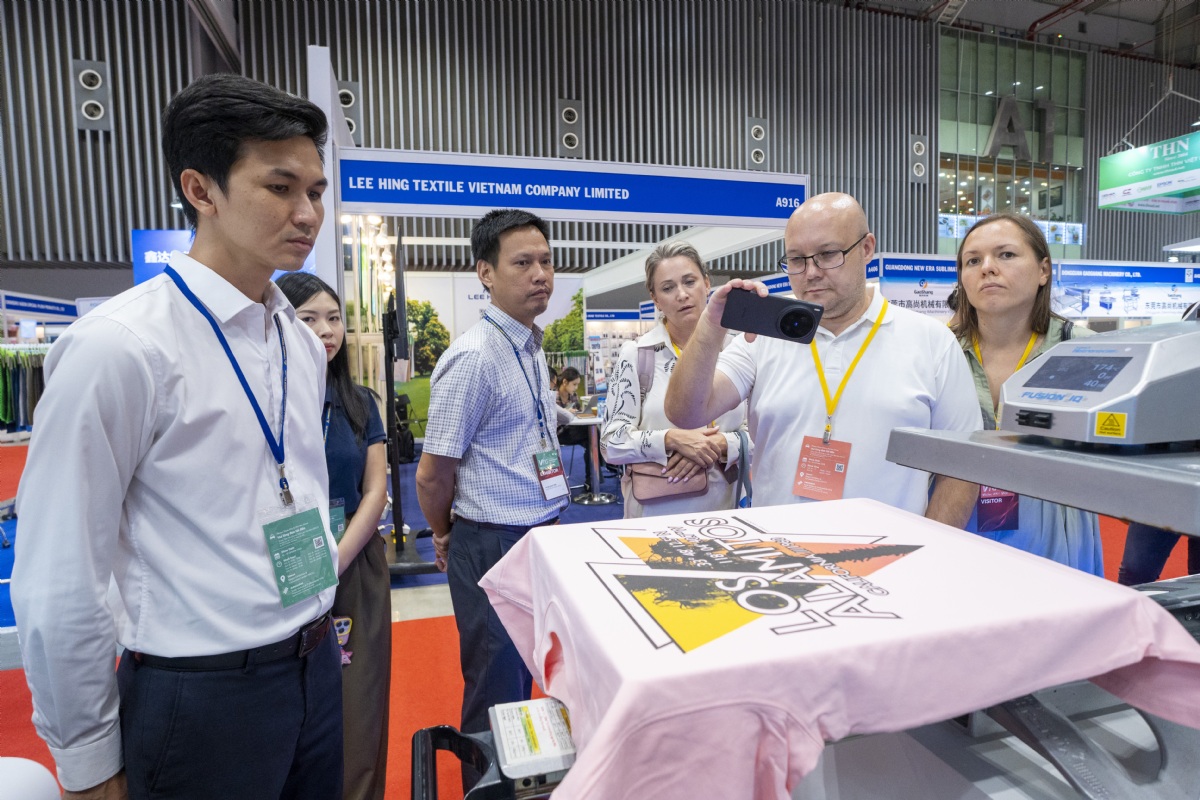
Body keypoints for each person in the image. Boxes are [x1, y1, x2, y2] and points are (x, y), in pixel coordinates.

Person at [12, 73, 341, 800]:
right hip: (201, 695)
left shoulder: (295, 336)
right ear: (200, 189)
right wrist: (87, 758)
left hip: (316, 665)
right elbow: (60, 572)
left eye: (316, 191)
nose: (307, 213)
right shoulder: (120, 347)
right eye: (280, 187)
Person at [664, 192, 980, 523]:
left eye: (828, 254)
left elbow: (961, 465)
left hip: (889, 550)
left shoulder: (931, 341)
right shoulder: (762, 338)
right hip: (777, 546)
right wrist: (711, 326)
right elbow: (686, 412)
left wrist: (928, 545)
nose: (811, 272)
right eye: (797, 259)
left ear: (866, 248)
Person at [415, 208, 568, 782]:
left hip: (539, 534)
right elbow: (432, 474)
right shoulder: (474, 357)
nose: (540, 275)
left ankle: (524, 784)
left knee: (529, 678)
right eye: (522, 263)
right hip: (491, 543)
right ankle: (487, 792)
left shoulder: (530, 346)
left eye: (546, 261)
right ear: (485, 273)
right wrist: (444, 534)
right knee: (495, 692)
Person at [276, 272, 390, 800]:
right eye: (308, 318)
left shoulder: (361, 402)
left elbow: (375, 491)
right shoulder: (269, 400)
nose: (326, 331)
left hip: (355, 563)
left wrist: (335, 561)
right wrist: (311, 566)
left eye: (334, 318)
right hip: (285, 566)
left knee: (358, 703)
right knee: (286, 709)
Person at [950, 213, 1104, 576]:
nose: (987, 268)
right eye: (973, 260)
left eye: (1006, 254)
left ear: (1043, 271)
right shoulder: (940, 352)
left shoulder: (1086, 352)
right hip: (959, 523)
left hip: (1054, 535)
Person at [601, 242, 750, 517]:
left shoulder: (739, 351)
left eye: (690, 282)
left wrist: (718, 445)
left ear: (707, 283)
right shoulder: (637, 354)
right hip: (655, 513)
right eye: (668, 288)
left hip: (726, 513)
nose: (682, 294)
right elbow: (610, 443)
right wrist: (671, 439)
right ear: (655, 299)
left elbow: (763, 435)